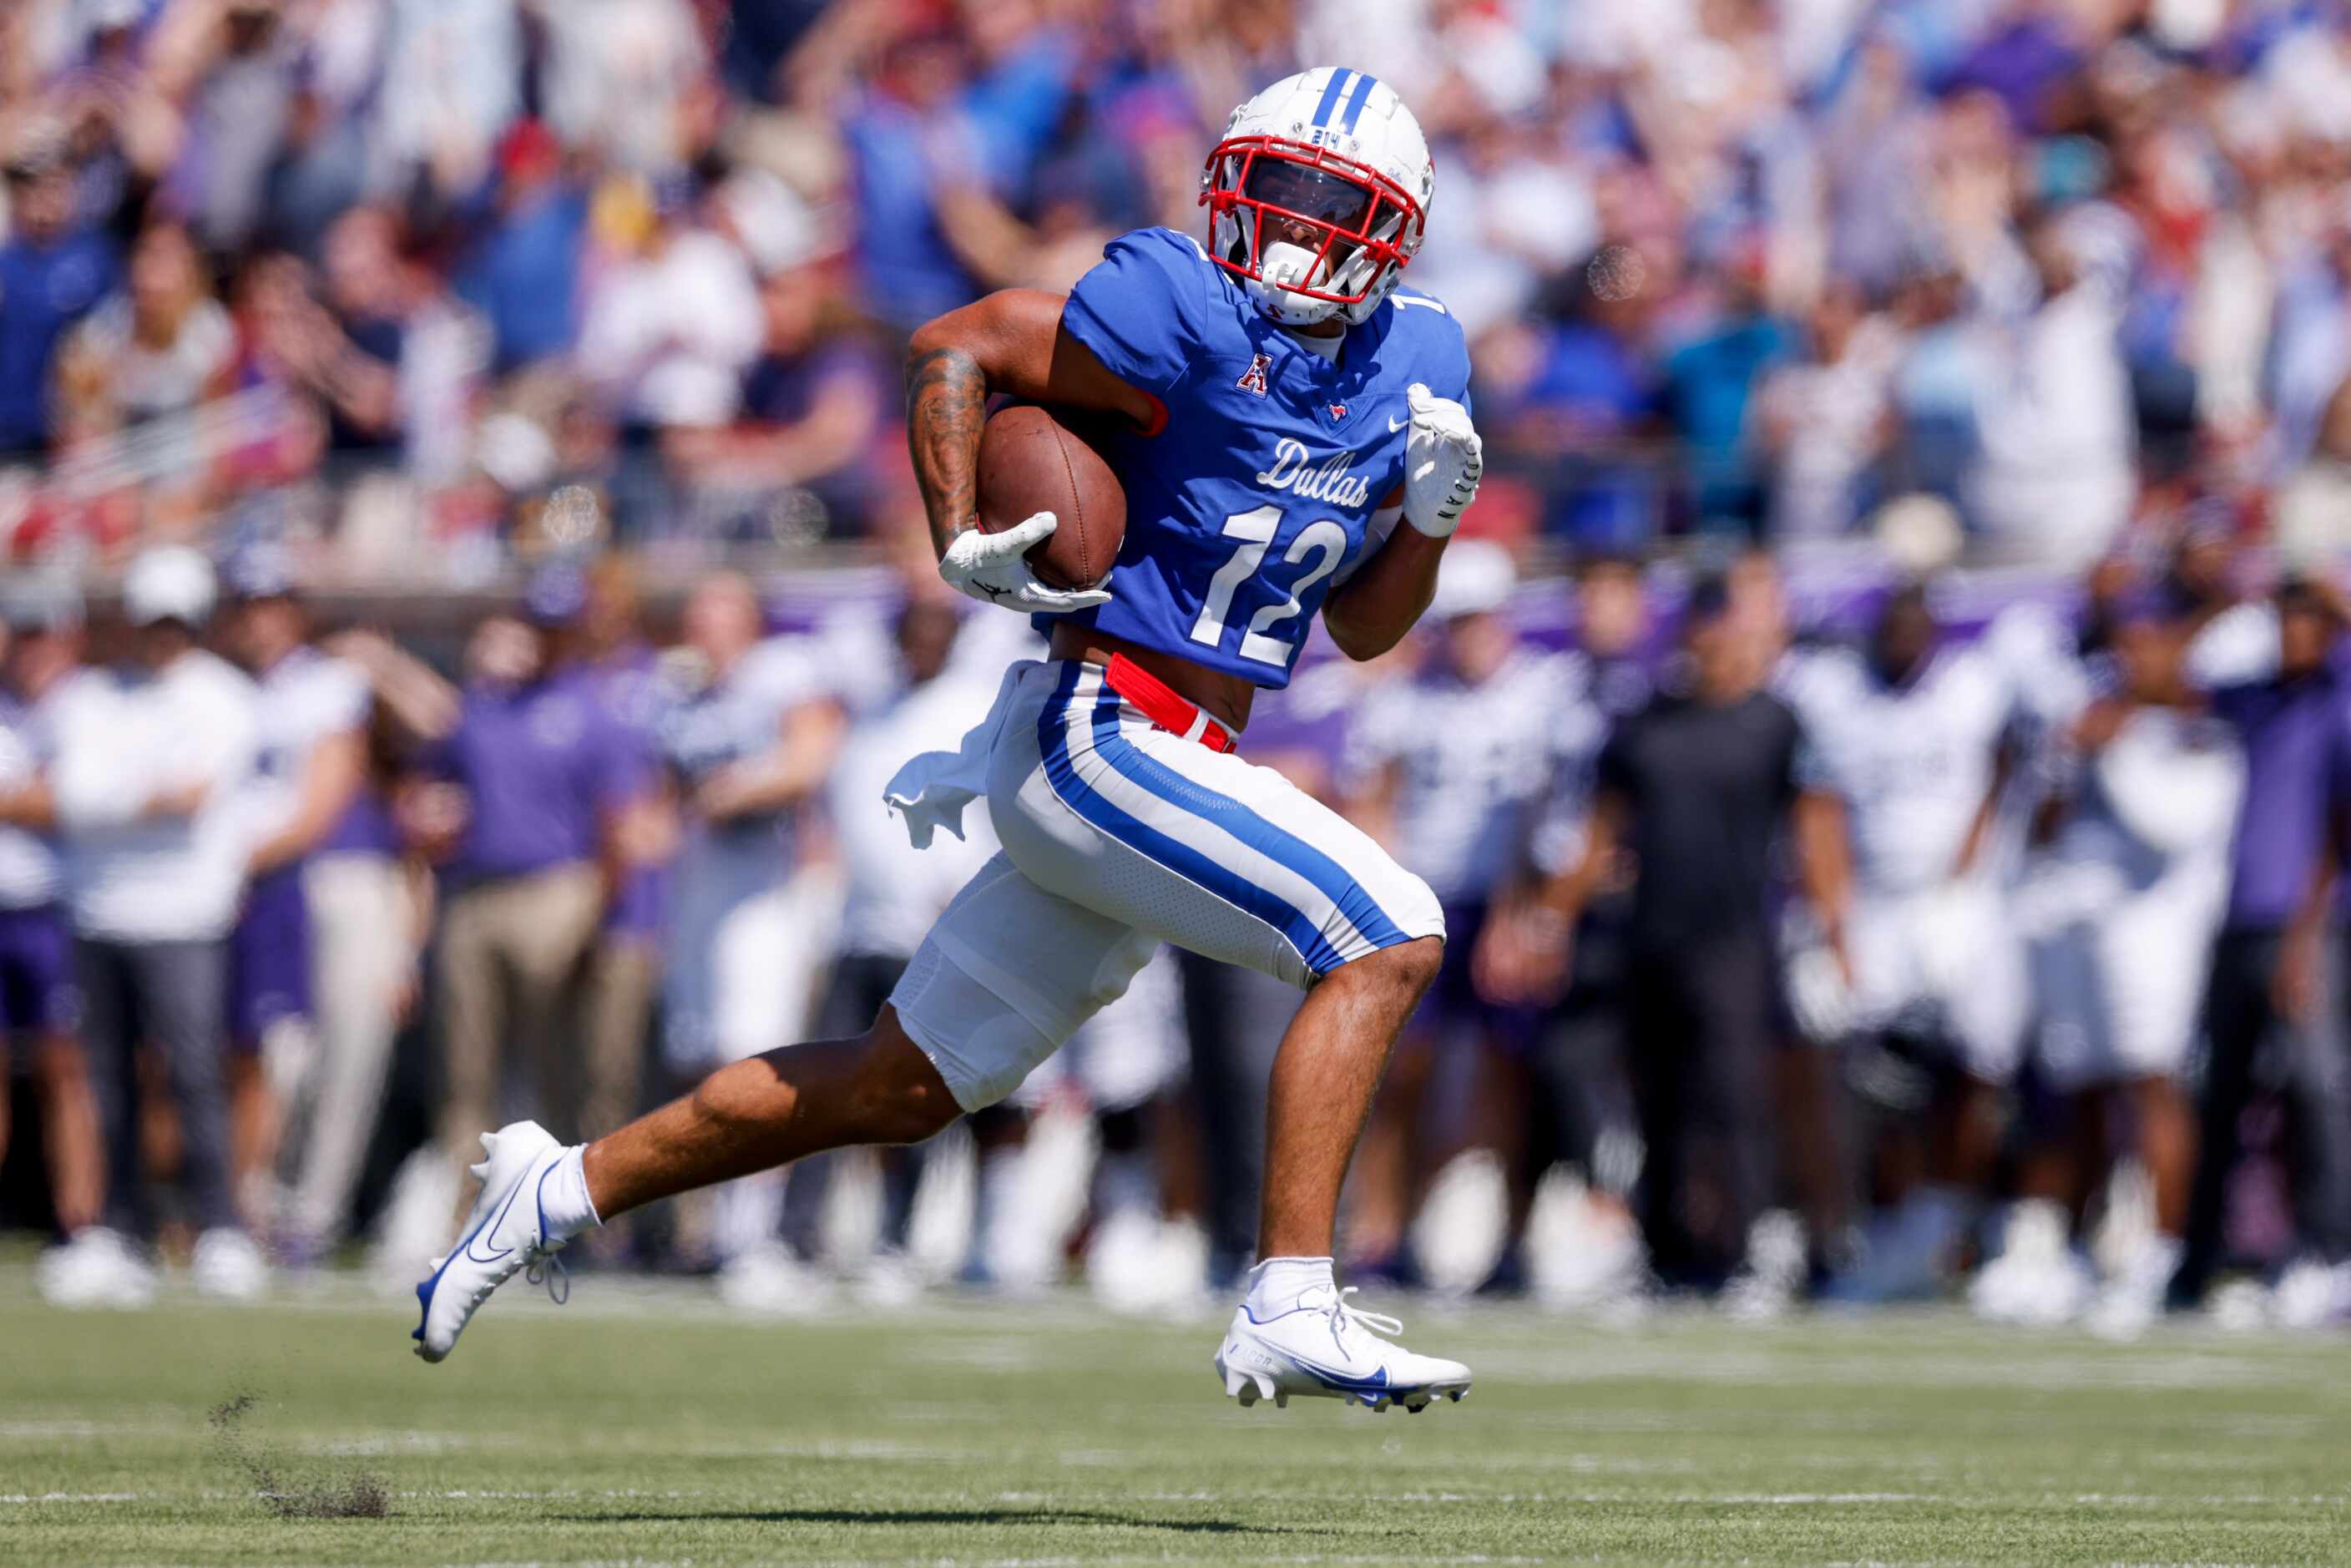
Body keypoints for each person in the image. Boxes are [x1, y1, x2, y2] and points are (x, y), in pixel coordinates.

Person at [413, 68, 1486, 1414]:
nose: (1292, 234)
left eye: (1332, 210)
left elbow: (1370, 630)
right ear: (1225, 187)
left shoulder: (1418, 364)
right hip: (1105, 727)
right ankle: (1288, 1295)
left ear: (1397, 231)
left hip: (1165, 750)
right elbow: (959, 339)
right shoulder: (1182, 310)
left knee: (899, 1082)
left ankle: (558, 1184)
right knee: (1389, 930)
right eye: (1273, 194)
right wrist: (956, 529)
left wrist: (1429, 521)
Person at [1504, 575, 1843, 1304]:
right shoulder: (1644, 724)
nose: (1712, 641)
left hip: (1736, 941)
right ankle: (1664, 1253)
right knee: (1654, 1099)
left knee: (1734, 1098)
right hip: (1649, 936)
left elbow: (1817, 830)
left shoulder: (1774, 723)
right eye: (1701, 625)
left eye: (1724, 625)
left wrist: (1833, 931)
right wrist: (1551, 917)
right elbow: (1601, 830)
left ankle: (1749, 1249)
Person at [1340, 539, 1594, 1291]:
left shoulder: (1546, 696)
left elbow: (1556, 817)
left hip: (1503, 901)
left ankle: (1506, 1239)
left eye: (1479, 619)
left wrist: (1529, 915)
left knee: (1506, 1075)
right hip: (1420, 900)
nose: (1468, 635)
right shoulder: (1407, 698)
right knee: (1401, 1075)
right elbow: (1373, 800)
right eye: (1455, 621)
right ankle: (1385, 1233)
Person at [1999, 589, 2244, 1337]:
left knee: (2154, 1087)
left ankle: (2162, 1253)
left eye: (2148, 644)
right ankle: (2082, 1248)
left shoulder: (2200, 736)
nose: (2131, 660)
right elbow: (2041, 830)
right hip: (2078, 926)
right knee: (2081, 1092)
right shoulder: (2098, 727)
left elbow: (2171, 825)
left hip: (2156, 936)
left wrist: (2115, 749)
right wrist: (2068, 763)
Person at [1781, 585, 2035, 1302]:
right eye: (1889, 624)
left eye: (1912, 625)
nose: (1900, 637)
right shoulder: (1838, 697)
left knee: (1981, 1066)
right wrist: (1834, 924)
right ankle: (1878, 1229)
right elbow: (1819, 808)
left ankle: (1958, 1222)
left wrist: (1964, 883)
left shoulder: (1974, 687)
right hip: (1876, 908)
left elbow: (2005, 772)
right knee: (1867, 1075)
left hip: (1962, 901)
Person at [47, 549, 264, 1299]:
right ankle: (117, 1230)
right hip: (100, 911)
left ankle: (220, 1228)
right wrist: (132, 799)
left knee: (195, 1074)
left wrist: (112, 800)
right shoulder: (92, 696)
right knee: (107, 1083)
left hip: (185, 915)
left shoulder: (225, 698)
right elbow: (73, 792)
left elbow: (192, 795)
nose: (163, 636)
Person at [2172, 580, 2351, 1325]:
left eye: (2307, 620)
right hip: (2237, 922)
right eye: (2282, 619)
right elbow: (2175, 684)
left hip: (2306, 929)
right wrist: (2216, 603)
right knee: (2218, 1094)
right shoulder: (2256, 700)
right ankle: (2199, 1263)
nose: (2291, 635)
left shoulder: (2339, 709)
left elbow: (2335, 835)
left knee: (2314, 1091)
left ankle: (2330, 1253)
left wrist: (2303, 942)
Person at [216, 549, 372, 1256]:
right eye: (249, 604)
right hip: (249, 885)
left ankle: (311, 1215)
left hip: (326, 877)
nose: (261, 619)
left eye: (273, 602)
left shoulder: (329, 683)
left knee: (339, 1056)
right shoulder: (220, 687)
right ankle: (245, 1206)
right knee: (262, 1056)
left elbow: (318, 806)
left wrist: (216, 865)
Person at [0, 587, 109, 1303]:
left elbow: (81, 801)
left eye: (48, 635)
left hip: (60, 910)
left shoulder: (92, 707)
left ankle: (82, 1224)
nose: (36, 650)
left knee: (67, 1069)